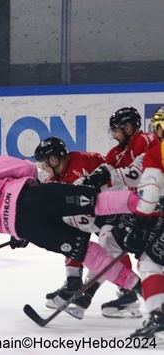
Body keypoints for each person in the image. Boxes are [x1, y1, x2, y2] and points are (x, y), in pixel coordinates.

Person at [0, 156, 143, 319]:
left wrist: (9, 226)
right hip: (34, 196)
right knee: (94, 202)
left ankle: (138, 287)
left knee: (85, 252)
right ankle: (146, 202)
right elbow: (27, 168)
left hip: (27, 227)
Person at [75, 106, 159, 318]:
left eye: (117, 130)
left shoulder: (145, 140)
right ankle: (101, 291)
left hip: (156, 205)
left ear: (129, 127)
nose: (114, 134)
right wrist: (88, 183)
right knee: (109, 240)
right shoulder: (114, 153)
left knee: (151, 258)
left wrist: (107, 176)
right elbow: (106, 174)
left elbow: (135, 174)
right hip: (139, 209)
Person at [33, 137, 106, 313]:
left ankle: (128, 293)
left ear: (53, 159)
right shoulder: (53, 179)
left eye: (44, 162)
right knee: (67, 231)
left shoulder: (82, 163)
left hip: (109, 209)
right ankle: (73, 281)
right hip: (91, 214)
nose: (43, 167)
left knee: (112, 246)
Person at [111, 135, 164, 341]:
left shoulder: (157, 153)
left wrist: (140, 224)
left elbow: (150, 192)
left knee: (149, 262)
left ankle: (158, 318)